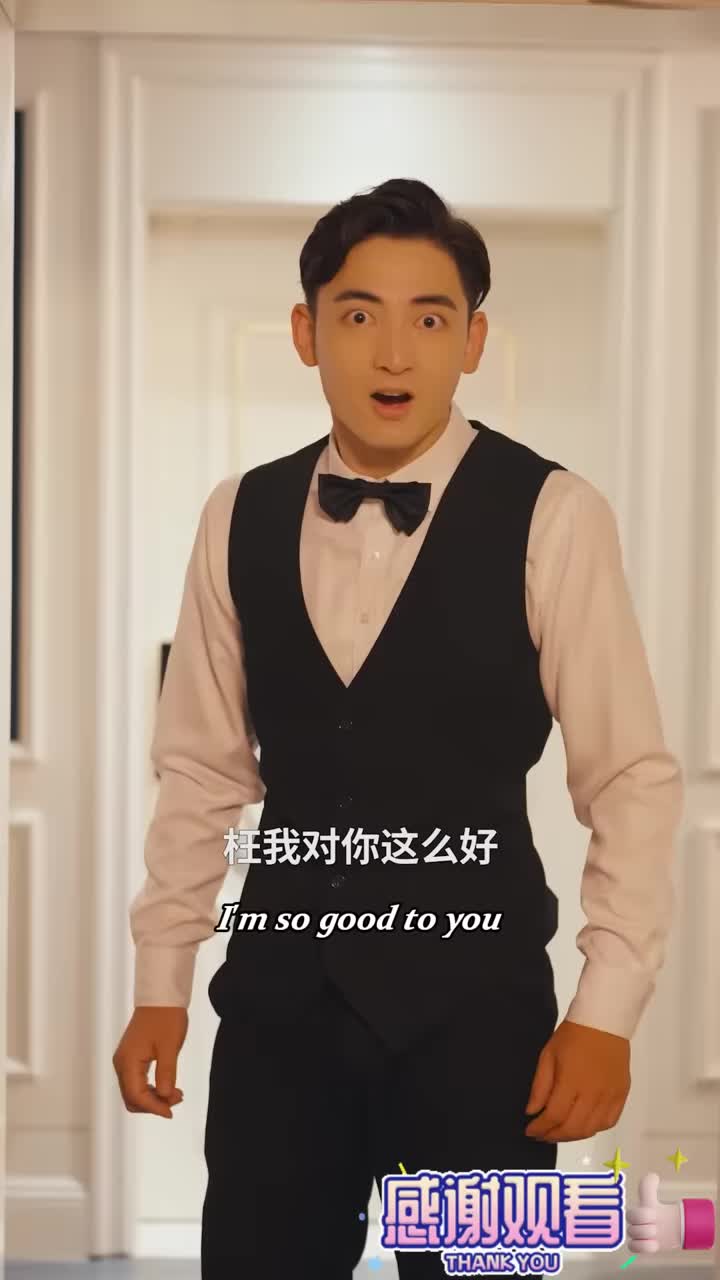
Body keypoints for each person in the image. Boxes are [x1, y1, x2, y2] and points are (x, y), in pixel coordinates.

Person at [112, 178, 684, 1278]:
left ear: (473, 341)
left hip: (481, 1029)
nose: (392, 353)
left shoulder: (556, 514)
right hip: (278, 1019)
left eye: (429, 318)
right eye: (358, 313)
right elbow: (199, 771)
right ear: (306, 333)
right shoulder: (237, 514)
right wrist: (160, 983)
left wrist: (605, 1010)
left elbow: (631, 779)